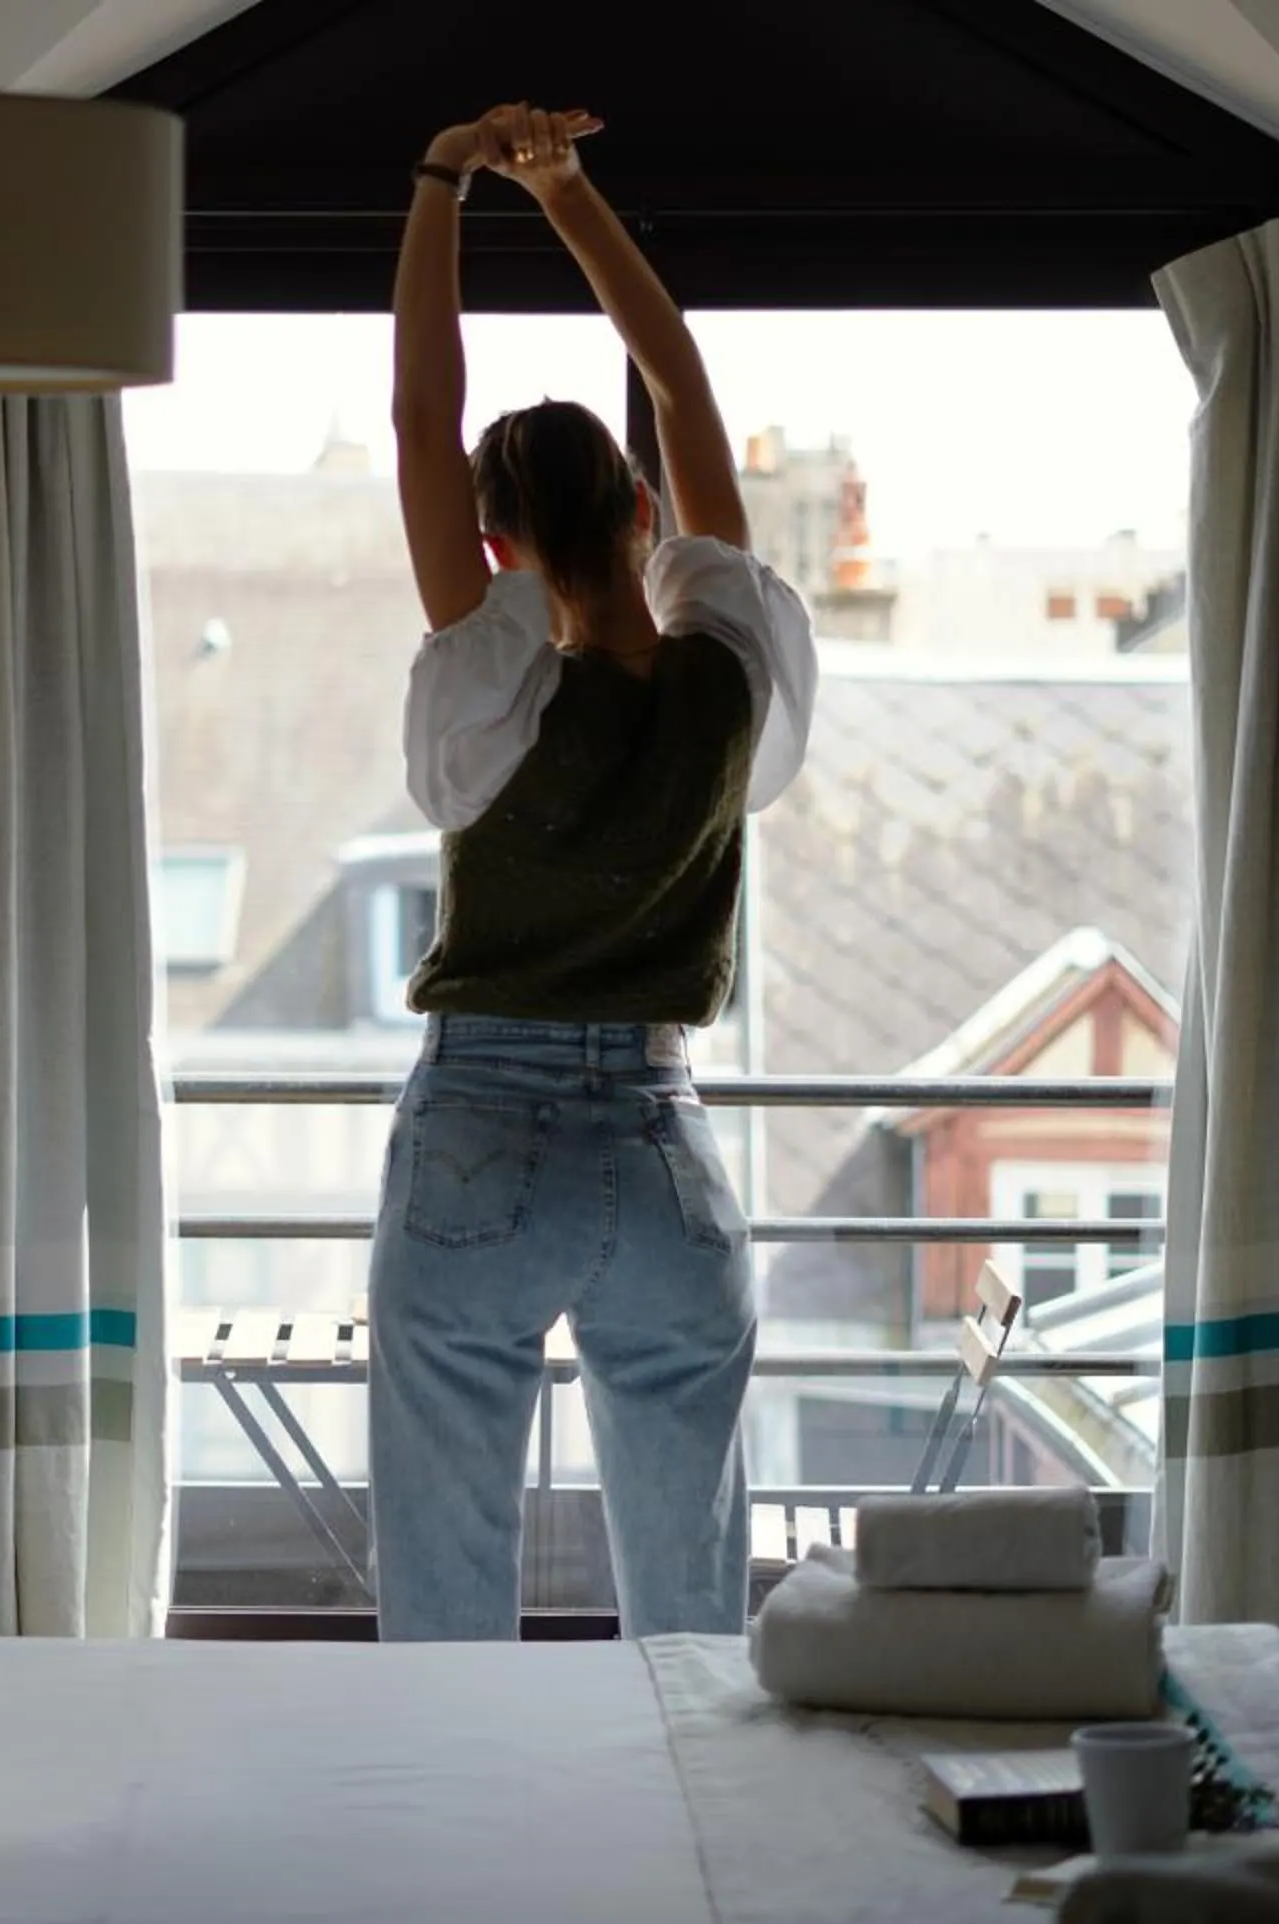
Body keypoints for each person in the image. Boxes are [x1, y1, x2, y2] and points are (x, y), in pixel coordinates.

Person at [369, 102, 818, 1642]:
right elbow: (680, 384)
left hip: (481, 1130)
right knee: (693, 1625)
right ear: (642, 510)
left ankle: (459, 1854)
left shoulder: (487, 686)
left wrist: (446, 178)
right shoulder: (733, 671)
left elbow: (422, 422)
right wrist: (567, 190)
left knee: (444, 1591)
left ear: (492, 544)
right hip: (661, 1142)